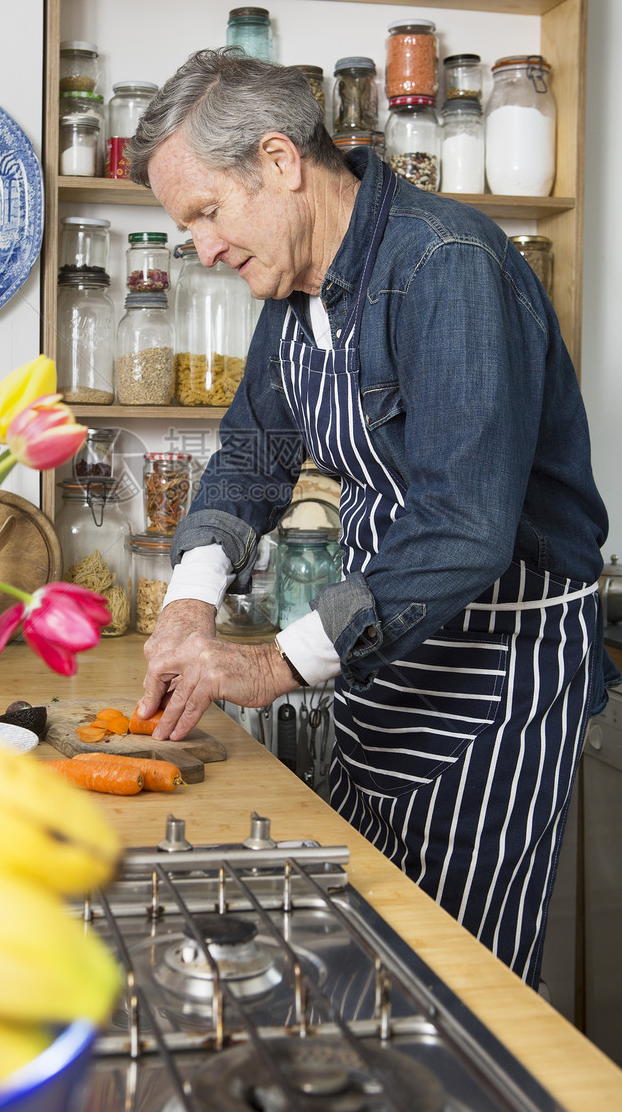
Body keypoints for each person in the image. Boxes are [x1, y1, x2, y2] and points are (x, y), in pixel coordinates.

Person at [125, 49, 619, 987]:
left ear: (278, 162)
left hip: (491, 690)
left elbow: (463, 529)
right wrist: (190, 600)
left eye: (204, 213)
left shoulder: (449, 266)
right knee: (367, 956)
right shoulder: (295, 294)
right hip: (381, 671)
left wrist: (275, 660)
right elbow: (252, 453)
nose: (201, 248)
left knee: (453, 981)